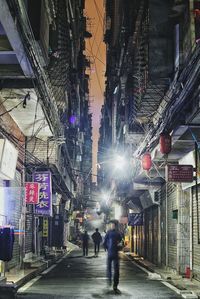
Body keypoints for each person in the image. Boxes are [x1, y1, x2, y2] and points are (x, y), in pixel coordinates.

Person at [103, 221, 122, 293]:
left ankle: (113, 283)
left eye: (113, 225)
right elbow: (120, 241)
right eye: (112, 225)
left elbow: (104, 242)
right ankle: (112, 283)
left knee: (114, 270)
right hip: (113, 253)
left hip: (112, 253)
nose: (112, 226)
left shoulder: (110, 233)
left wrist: (106, 247)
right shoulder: (117, 233)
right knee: (113, 269)